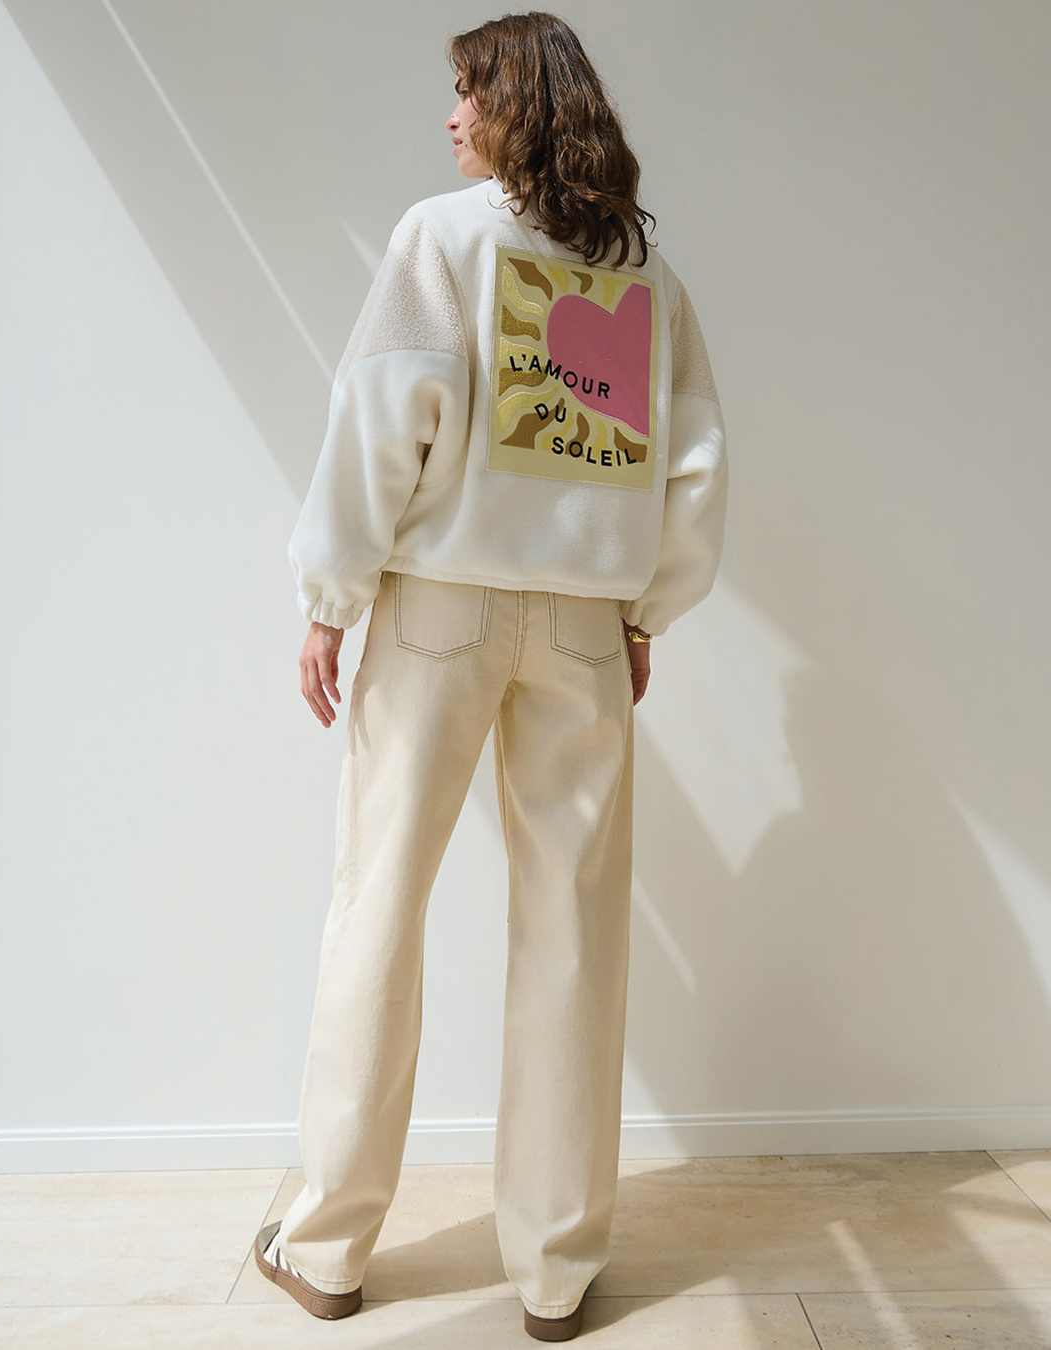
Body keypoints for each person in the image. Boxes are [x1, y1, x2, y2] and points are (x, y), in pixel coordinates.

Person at [253, 11, 728, 1342]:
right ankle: (558, 1270)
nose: (450, 117)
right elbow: (693, 470)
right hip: (584, 629)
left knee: (377, 903)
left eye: (467, 93)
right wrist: (646, 612)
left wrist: (330, 598)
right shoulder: (642, 277)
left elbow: (377, 426)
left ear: (518, 103)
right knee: (576, 929)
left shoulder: (440, 240)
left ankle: (327, 1244)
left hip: (440, 613)